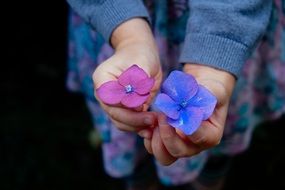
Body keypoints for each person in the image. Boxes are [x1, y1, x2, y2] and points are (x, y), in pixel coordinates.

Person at [66, 0, 285, 189]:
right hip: (120, 27)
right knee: (137, 138)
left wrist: (215, 57)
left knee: (215, 137)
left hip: (229, 29)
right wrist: (128, 36)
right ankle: (141, 180)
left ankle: (209, 178)